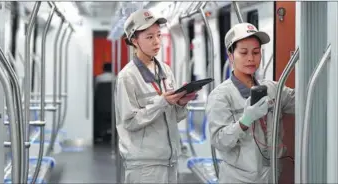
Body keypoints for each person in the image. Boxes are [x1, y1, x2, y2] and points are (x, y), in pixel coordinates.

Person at [115, 9, 200, 183]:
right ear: (134, 41)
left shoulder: (166, 71)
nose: (157, 42)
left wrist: (181, 103)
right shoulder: (127, 77)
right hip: (144, 165)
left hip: (169, 160)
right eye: (149, 37)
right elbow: (130, 122)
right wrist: (162, 102)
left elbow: (172, 117)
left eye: (158, 35)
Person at [205, 23, 295, 183]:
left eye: (255, 52)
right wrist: (244, 121)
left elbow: (302, 101)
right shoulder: (221, 96)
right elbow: (219, 141)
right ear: (231, 56)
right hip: (239, 179)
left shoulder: (273, 88)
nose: (250, 58)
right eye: (243, 52)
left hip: (271, 176)